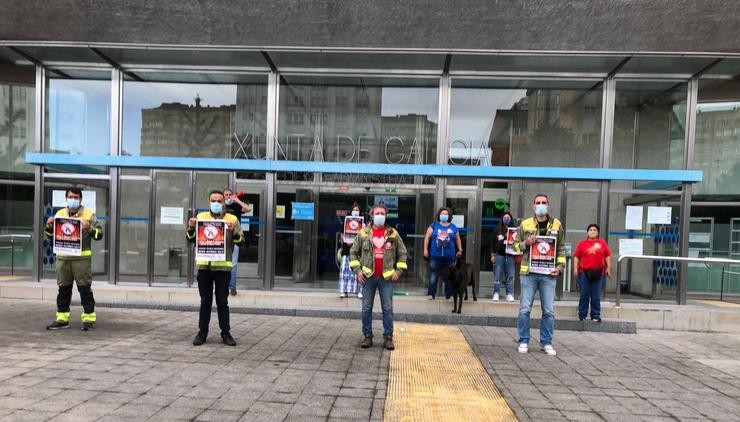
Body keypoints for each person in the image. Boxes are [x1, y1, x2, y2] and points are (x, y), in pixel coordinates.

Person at [186, 190, 244, 346]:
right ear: (208, 201)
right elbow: (191, 239)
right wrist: (191, 228)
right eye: (214, 200)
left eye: (219, 201)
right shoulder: (201, 218)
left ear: (224, 202)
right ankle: (202, 333)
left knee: (222, 302)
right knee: (205, 301)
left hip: (223, 269)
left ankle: (226, 334)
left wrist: (234, 231)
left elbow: (241, 241)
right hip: (204, 267)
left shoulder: (232, 219)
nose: (216, 203)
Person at [512, 194, 566, 356]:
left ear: (548, 205)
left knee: (548, 311)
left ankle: (546, 343)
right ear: (533, 206)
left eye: (544, 203)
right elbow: (514, 247)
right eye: (538, 203)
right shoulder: (525, 224)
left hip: (548, 274)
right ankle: (523, 340)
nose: (541, 205)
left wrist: (560, 267)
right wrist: (526, 243)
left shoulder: (557, 224)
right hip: (528, 273)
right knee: (524, 309)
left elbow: (561, 247)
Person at [350, 203, 408, 350]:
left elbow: (403, 253)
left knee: (388, 308)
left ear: (386, 215)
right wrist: (358, 271)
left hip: (386, 278)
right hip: (368, 277)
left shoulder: (393, 234)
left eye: (382, 213)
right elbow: (353, 253)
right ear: (372, 215)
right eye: (377, 213)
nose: (380, 216)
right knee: (366, 307)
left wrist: (398, 271)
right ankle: (367, 336)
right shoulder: (363, 233)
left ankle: (388, 337)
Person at [44, 187, 103, 331]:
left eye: (76, 197)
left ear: (81, 199)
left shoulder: (89, 215)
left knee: (84, 290)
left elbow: (99, 235)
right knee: (63, 290)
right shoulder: (60, 214)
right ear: (66, 199)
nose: (73, 200)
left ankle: (89, 319)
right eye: (70, 197)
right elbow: (52, 237)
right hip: (63, 259)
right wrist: (49, 227)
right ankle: (62, 319)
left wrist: (89, 228)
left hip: (81, 260)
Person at [573, 224, 612, 322]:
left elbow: (607, 255)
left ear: (597, 232)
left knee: (596, 296)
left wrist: (609, 267)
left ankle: (595, 315)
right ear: (587, 232)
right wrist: (575, 269)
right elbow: (576, 256)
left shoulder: (602, 243)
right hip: (584, 272)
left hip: (599, 272)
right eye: (590, 230)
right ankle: (582, 315)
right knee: (584, 294)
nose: (592, 231)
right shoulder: (582, 243)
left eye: (595, 230)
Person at [423, 207, 463, 300]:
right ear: (439, 215)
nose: (444, 215)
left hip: (449, 256)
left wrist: (460, 250)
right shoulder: (433, 226)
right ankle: (431, 294)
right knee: (434, 275)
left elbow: (457, 238)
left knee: (449, 277)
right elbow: (427, 238)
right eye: (442, 214)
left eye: (446, 214)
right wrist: (425, 250)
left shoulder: (453, 227)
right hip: (435, 255)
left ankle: (448, 295)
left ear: (449, 216)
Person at [223, 188, 251, 296]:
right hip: (222, 238)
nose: (228, 196)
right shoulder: (221, 206)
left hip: (235, 237)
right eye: (226, 194)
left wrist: (237, 200)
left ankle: (232, 287)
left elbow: (248, 209)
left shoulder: (236, 205)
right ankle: (222, 285)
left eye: (230, 194)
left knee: (233, 264)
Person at [490, 211, 516, 302]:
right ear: (502, 219)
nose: (506, 219)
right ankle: (496, 293)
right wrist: (492, 255)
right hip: (499, 255)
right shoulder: (497, 229)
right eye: (505, 217)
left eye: (508, 217)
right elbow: (492, 242)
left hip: (510, 256)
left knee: (510, 275)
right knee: (497, 274)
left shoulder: (514, 229)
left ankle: (509, 294)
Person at [339, 203, 363, 299]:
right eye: (354, 209)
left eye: (357, 210)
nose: (356, 211)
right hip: (346, 250)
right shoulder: (346, 221)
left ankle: (359, 291)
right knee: (345, 272)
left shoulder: (362, 223)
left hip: (358, 252)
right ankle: (343, 291)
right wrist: (346, 240)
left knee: (358, 272)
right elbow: (341, 234)